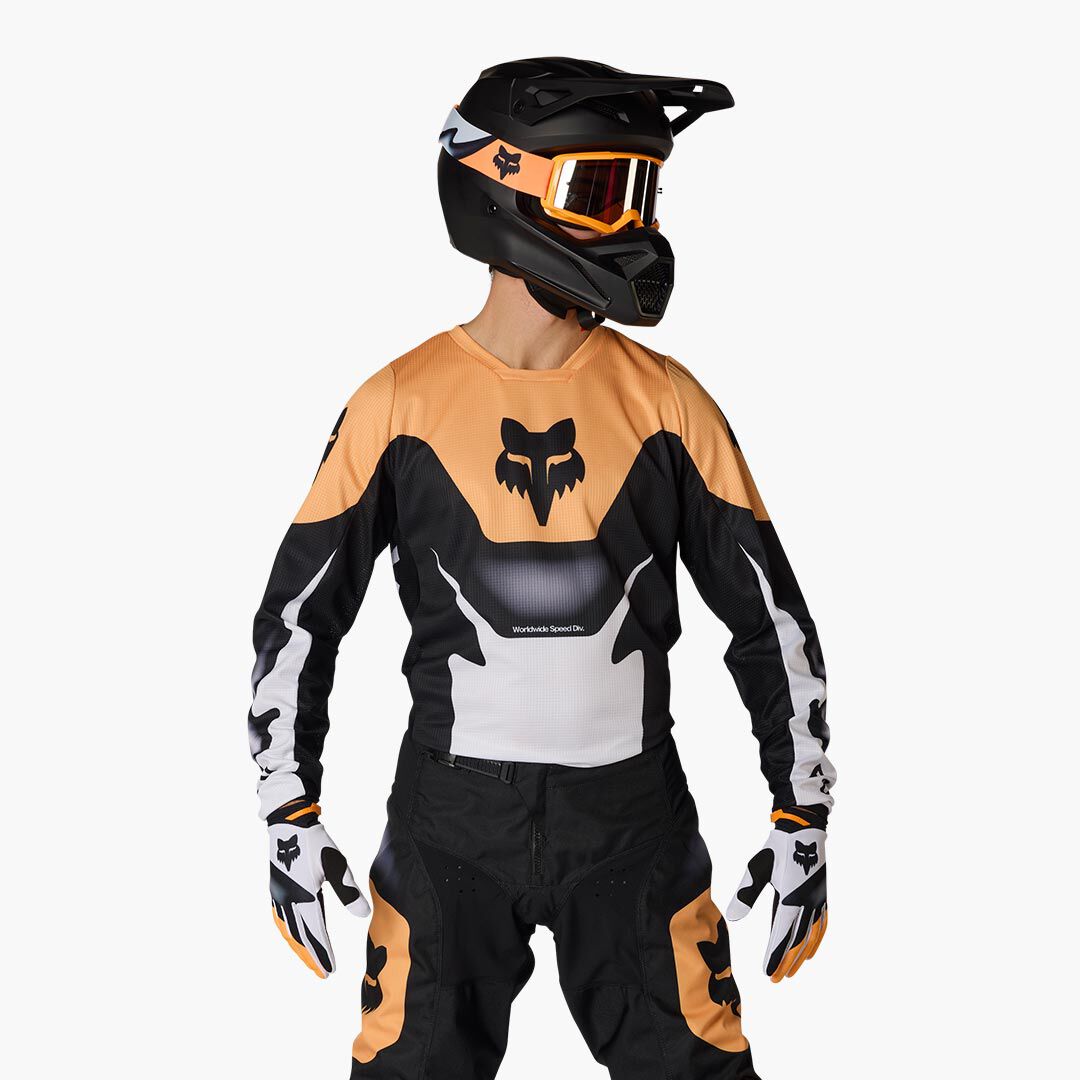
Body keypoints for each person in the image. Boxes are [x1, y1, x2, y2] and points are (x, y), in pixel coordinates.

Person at [249, 57, 834, 1080]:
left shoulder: (670, 403)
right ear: (501, 185)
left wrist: (804, 814)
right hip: (448, 835)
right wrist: (286, 812)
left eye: (643, 192)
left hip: (633, 831)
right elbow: (301, 617)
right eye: (602, 190)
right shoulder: (397, 405)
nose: (632, 225)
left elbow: (769, 619)